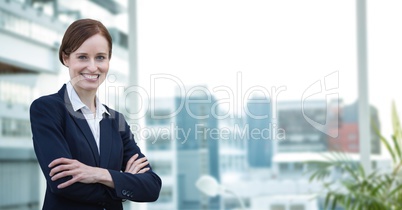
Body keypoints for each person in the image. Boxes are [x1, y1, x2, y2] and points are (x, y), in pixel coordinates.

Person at [30, 18, 161, 210]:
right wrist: (122, 182)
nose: (92, 67)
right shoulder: (47, 109)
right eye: (82, 57)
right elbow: (63, 183)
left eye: (100, 57)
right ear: (66, 58)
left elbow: (151, 186)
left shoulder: (116, 120)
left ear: (108, 60)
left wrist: (99, 174)